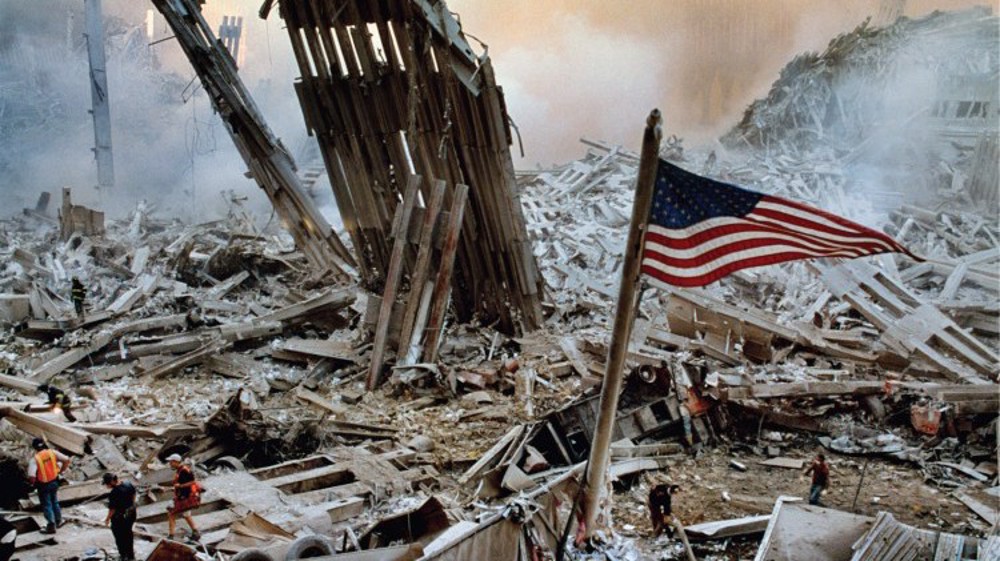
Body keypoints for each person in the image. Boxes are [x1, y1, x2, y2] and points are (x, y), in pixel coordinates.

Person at [27, 438, 70, 534]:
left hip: (43, 485)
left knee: (47, 504)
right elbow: (66, 460)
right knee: (54, 501)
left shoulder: (35, 459)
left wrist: (32, 484)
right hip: (54, 481)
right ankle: (59, 521)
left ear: (34, 448)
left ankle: (51, 526)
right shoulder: (52, 453)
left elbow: (32, 476)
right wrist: (61, 471)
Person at [166, 454, 201, 541]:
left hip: (186, 497)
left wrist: (180, 486)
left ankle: (171, 536)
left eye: (171, 462)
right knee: (186, 514)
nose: (169, 463)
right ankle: (196, 532)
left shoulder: (184, 470)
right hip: (184, 496)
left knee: (171, 513)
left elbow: (192, 482)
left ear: (175, 462)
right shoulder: (180, 470)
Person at [103, 473, 137, 561]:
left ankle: (123, 555)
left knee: (119, 536)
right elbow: (134, 496)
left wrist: (107, 519)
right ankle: (131, 555)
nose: (107, 486)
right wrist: (131, 505)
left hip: (120, 517)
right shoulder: (128, 484)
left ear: (112, 482)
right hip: (131, 514)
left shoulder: (114, 493)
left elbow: (112, 509)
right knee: (128, 534)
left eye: (107, 484)